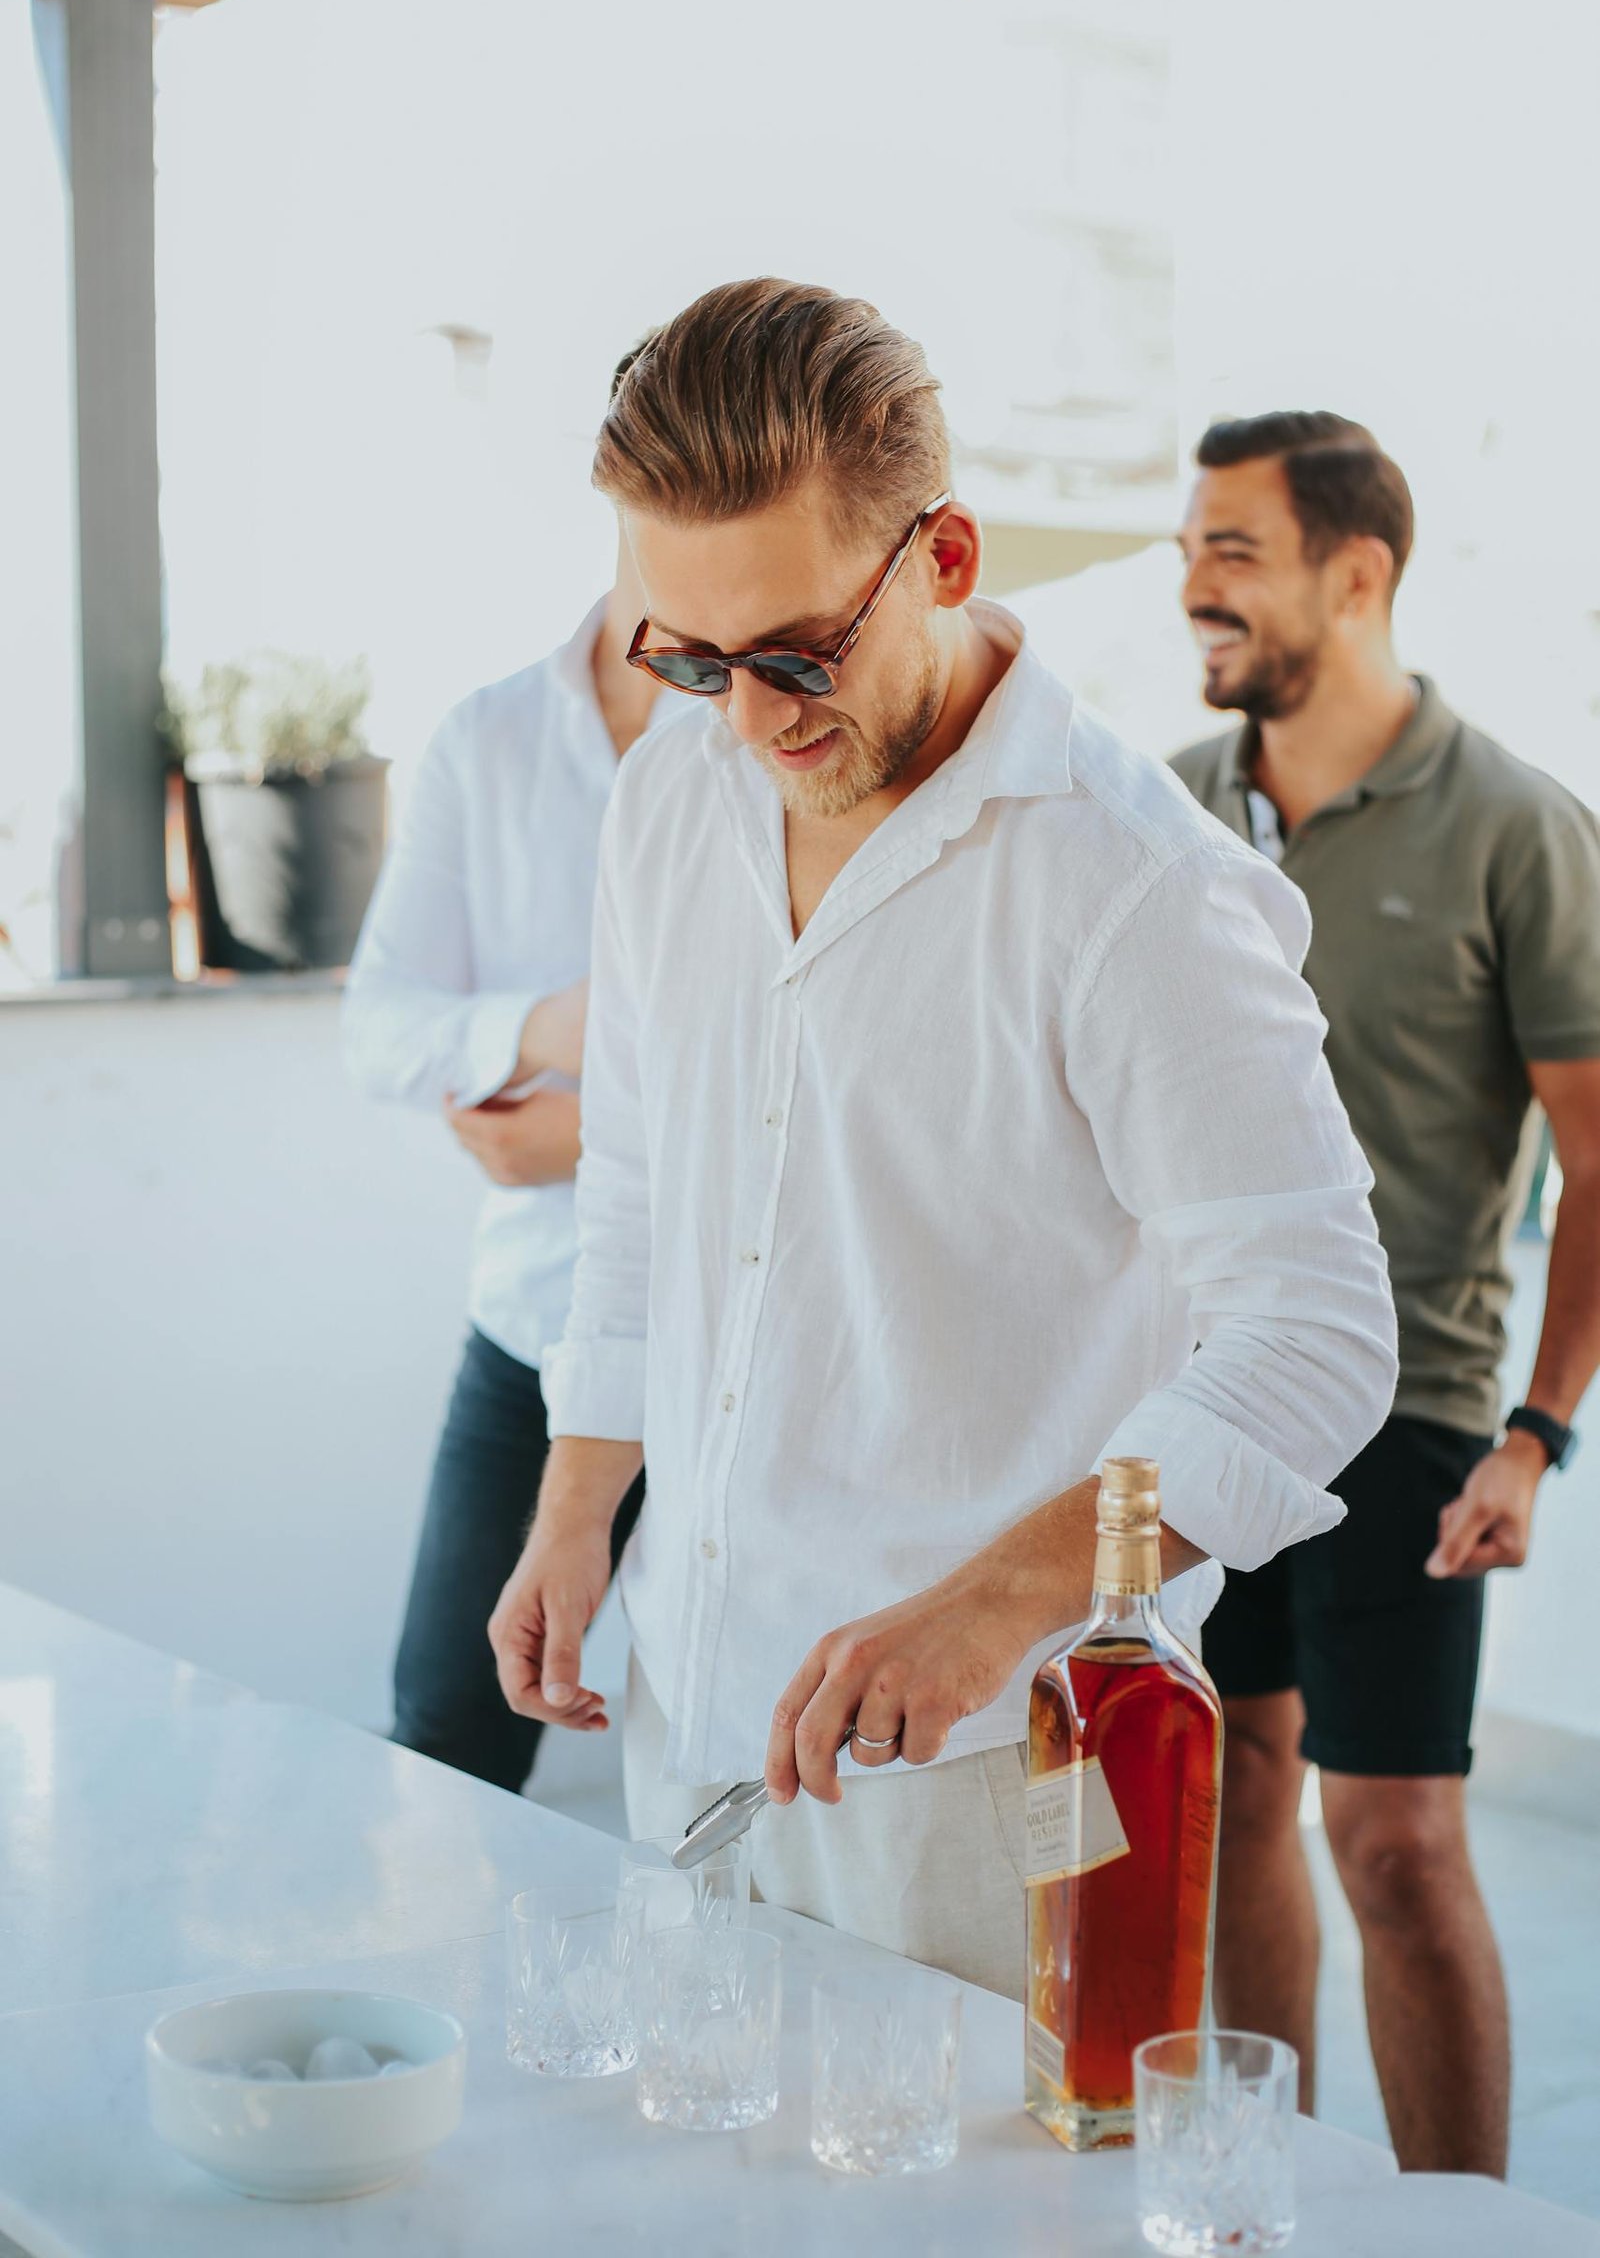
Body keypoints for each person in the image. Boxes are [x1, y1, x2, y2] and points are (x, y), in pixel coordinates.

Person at [486, 279, 1398, 1999]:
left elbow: (1318, 1331)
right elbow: (643, 1182)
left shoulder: (1138, 887)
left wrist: (990, 1605)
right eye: (687, 659)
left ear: (948, 557)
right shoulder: (672, 796)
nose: (748, 722)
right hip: (691, 1701)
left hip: (1000, 1766)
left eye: (795, 656)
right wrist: (578, 1503)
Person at [1170, 411, 1600, 2176]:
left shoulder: (1518, 826)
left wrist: (1536, 1437)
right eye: (1189, 549)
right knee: (1232, 1793)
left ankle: (1464, 2231)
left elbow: (1598, 1157)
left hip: (1412, 1409)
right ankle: (1258, 2184)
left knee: (1399, 1844)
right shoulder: (1165, 811)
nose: (1193, 587)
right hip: (1198, 1399)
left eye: (1235, 552)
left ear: (1359, 576)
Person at [342, 342, 669, 1792]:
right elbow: (380, 1026)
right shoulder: (487, 737)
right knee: (443, 1743)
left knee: (735, 1770)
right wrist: (552, 1028)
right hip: (531, 1328)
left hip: (736, 1351)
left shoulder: (774, 732)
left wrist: (584, 1135)